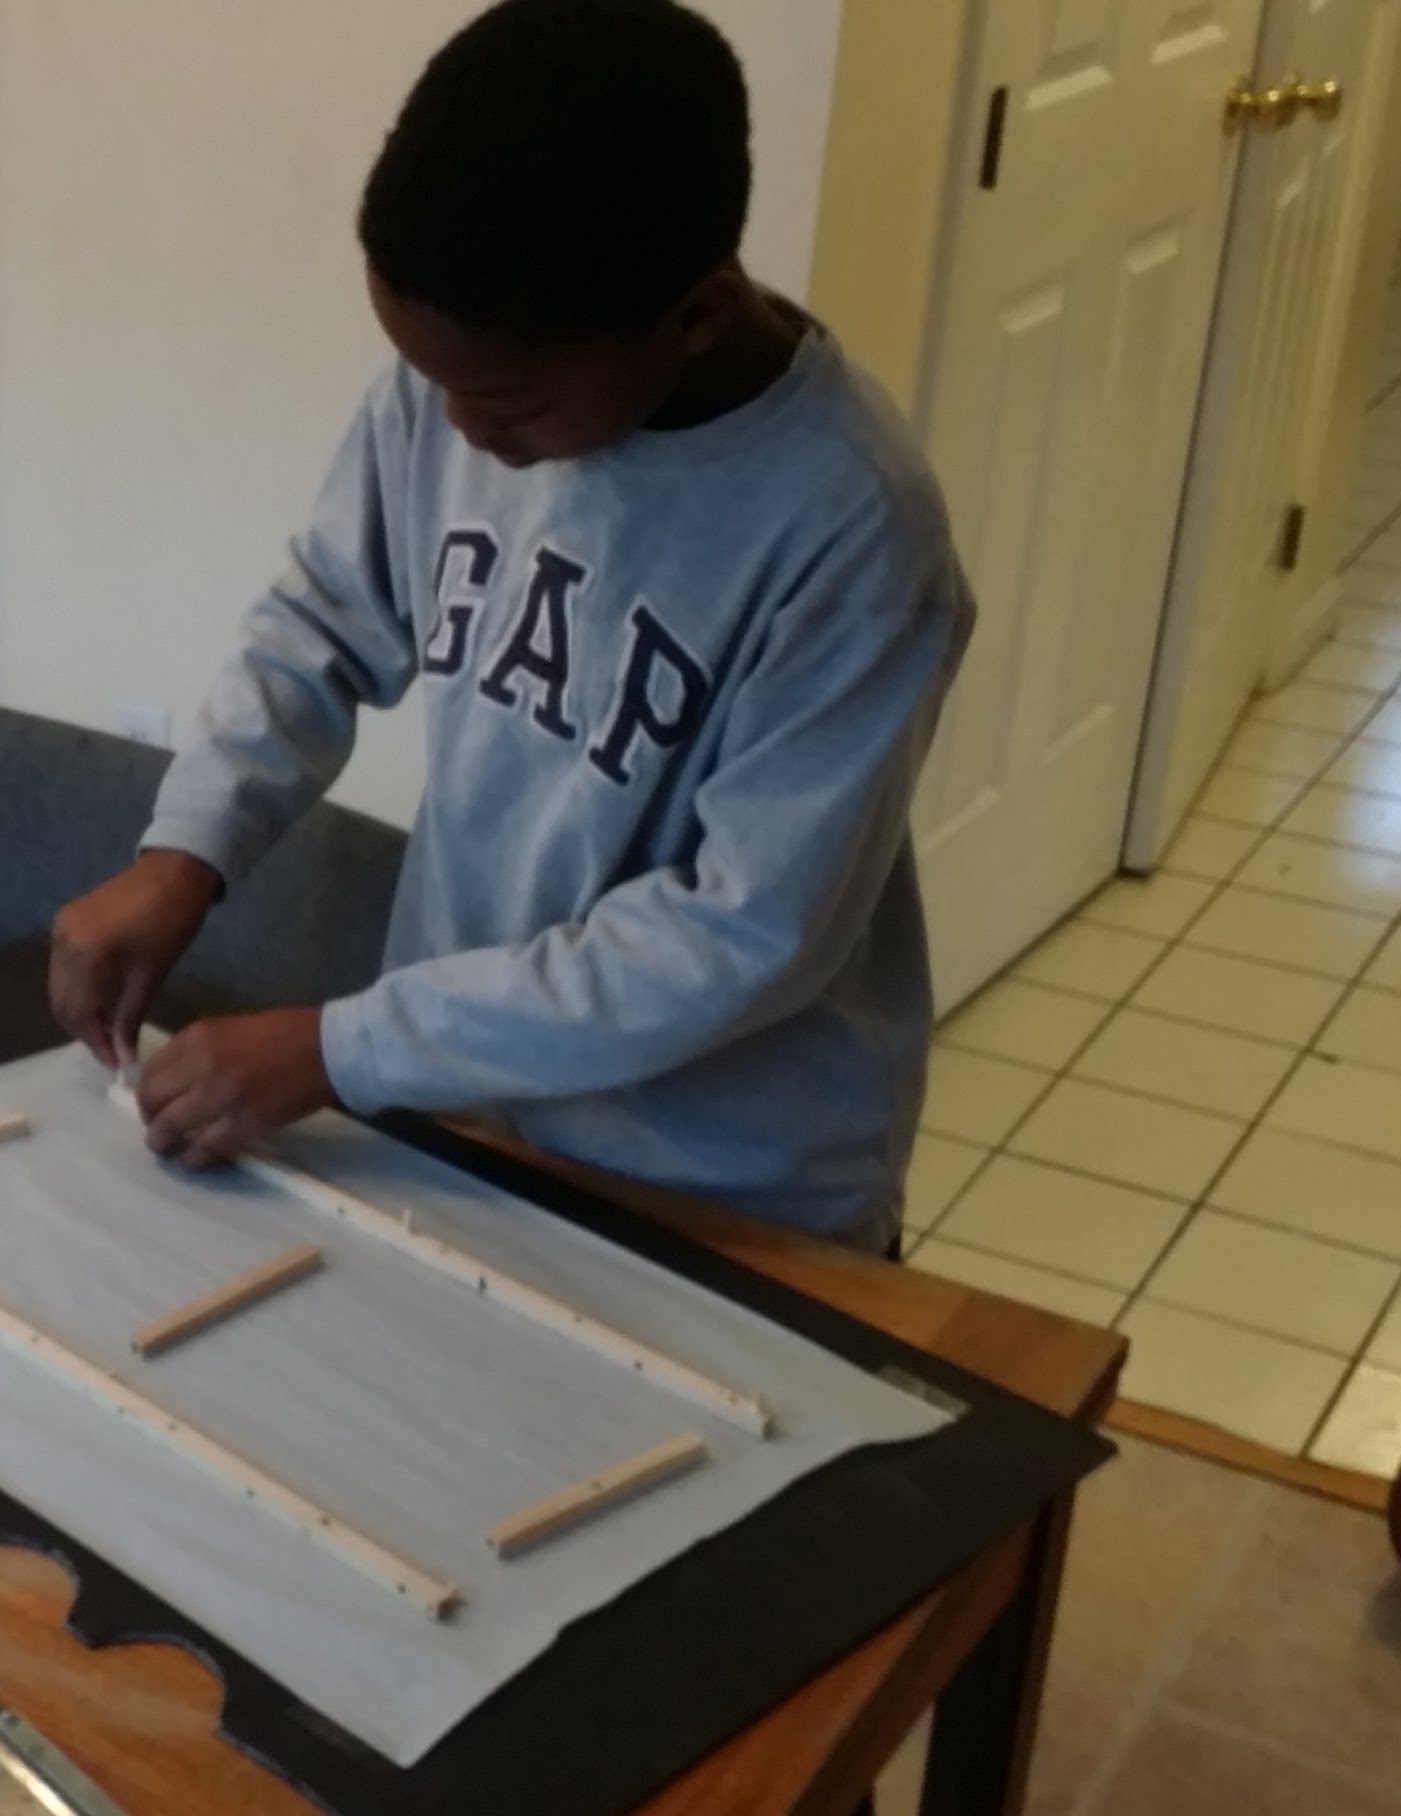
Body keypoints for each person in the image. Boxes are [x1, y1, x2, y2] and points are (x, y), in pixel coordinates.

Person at [48, 0, 975, 1257]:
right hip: (473, 1114)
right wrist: (185, 853)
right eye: (430, 381)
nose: (461, 433)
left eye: (508, 405)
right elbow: (320, 624)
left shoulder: (854, 527)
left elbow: (740, 933)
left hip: (722, 1181)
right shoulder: (464, 375)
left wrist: (342, 1046)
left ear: (697, 316)